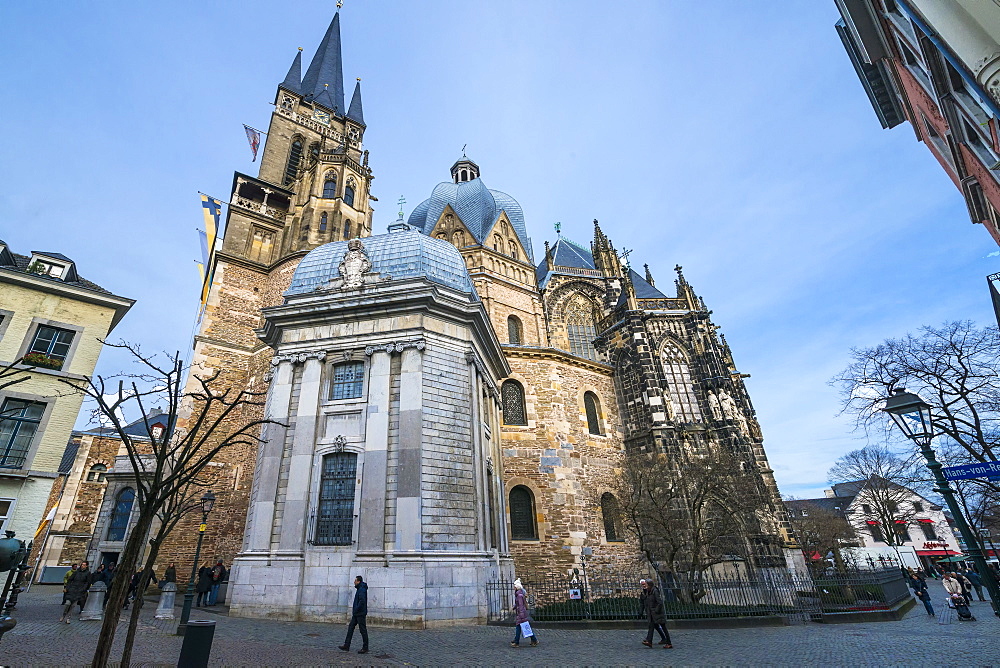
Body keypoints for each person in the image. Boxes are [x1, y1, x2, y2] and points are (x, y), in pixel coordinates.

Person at [339, 575, 369, 654]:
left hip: (360, 613)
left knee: (363, 630)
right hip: (357, 613)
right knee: (351, 628)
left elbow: (362, 601)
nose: (354, 582)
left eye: (355, 580)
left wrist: (356, 609)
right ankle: (346, 645)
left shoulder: (361, 589)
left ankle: (365, 647)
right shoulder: (360, 589)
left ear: (358, 581)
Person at [639, 578, 672, 649]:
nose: (645, 586)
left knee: (663, 627)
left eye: (646, 585)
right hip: (652, 613)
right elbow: (645, 602)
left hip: (657, 613)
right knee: (651, 626)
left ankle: (668, 642)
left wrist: (656, 610)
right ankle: (649, 641)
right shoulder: (648, 592)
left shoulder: (655, 591)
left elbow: (659, 602)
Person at [509, 578, 538, 648]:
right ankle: (533, 640)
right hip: (521, 614)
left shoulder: (519, 596)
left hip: (521, 614)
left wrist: (521, 615)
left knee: (521, 628)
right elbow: (518, 604)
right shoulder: (519, 594)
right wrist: (514, 607)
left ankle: (517, 642)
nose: (513, 588)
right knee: (524, 628)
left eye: (514, 586)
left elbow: (521, 606)